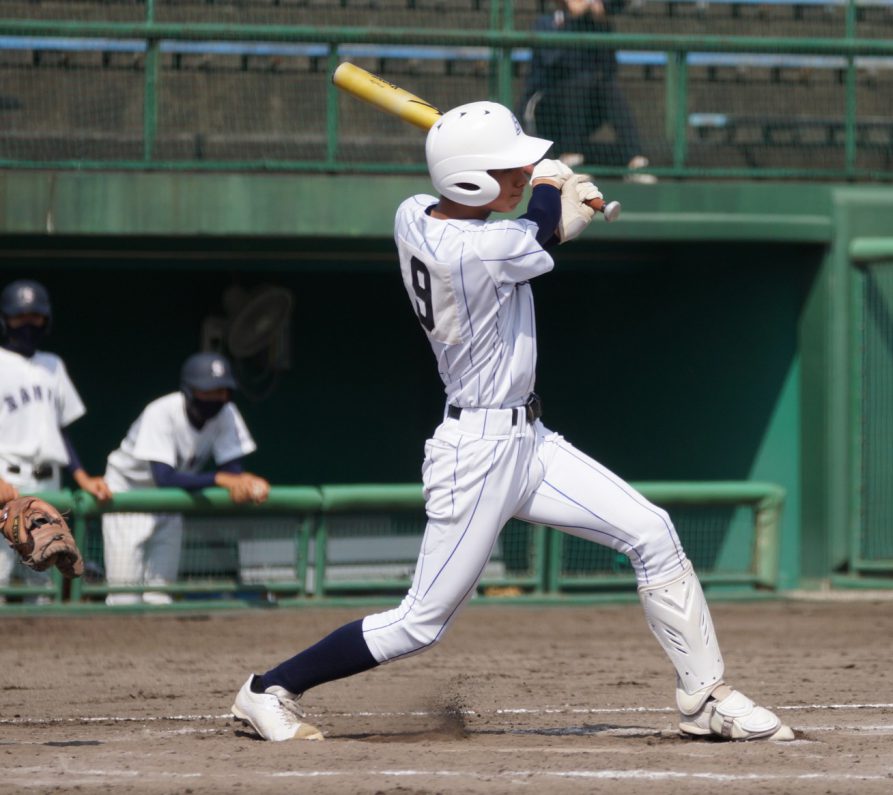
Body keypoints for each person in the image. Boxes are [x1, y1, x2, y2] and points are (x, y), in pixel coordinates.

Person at [230, 101, 793, 743]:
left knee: (653, 531)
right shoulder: (480, 250)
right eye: (507, 167)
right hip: (477, 452)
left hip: (531, 441)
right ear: (468, 179)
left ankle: (705, 698)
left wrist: (541, 178)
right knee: (420, 623)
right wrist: (554, 184)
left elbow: (535, 218)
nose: (519, 173)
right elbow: (542, 227)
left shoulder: (413, 214)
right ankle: (266, 689)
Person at [101, 352, 270, 606]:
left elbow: (232, 471)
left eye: (223, 391)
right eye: (209, 391)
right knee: (124, 596)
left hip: (173, 502)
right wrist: (222, 479)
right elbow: (164, 478)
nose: (218, 398)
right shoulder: (161, 411)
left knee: (160, 595)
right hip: (130, 496)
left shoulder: (226, 413)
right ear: (189, 391)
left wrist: (247, 483)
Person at [0, 279, 110, 600]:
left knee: (43, 584)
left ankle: (44, 652)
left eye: (35, 317)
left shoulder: (53, 365)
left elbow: (58, 429)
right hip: (7, 481)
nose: (28, 324)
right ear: (5, 319)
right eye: (20, 317)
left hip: (49, 485)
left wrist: (82, 477)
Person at [518, 0, 656, 183]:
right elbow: (551, 60)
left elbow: (609, 70)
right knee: (578, 82)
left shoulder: (595, 26)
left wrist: (603, 24)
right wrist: (572, 18)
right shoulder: (548, 21)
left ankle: (636, 161)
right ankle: (571, 160)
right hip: (546, 107)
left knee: (607, 86)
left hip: (582, 112)